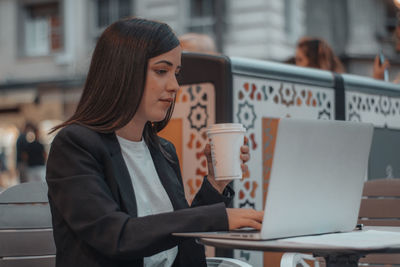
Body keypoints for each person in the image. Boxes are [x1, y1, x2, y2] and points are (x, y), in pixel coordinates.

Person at [46, 17, 263, 267]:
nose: (174, 86)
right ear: (123, 70)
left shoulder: (163, 150)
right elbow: (116, 235)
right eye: (162, 71)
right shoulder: (75, 145)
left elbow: (179, 233)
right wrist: (217, 217)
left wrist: (215, 183)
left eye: (176, 73)